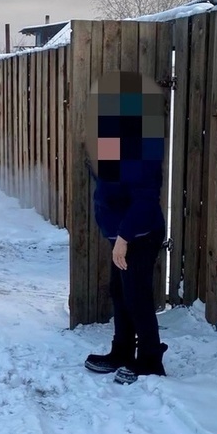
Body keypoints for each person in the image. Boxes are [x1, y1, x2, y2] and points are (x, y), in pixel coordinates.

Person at [83, 72, 168, 384]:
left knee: (137, 296)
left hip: (139, 235)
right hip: (121, 235)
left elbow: (145, 199)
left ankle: (149, 360)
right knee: (120, 294)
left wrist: (124, 238)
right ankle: (121, 351)